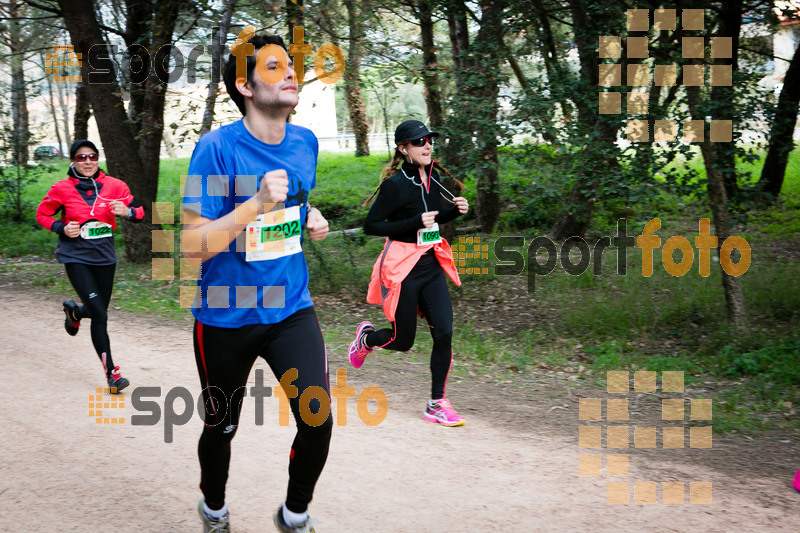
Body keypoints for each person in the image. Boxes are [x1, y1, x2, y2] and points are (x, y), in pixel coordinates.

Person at [182, 34, 331, 533]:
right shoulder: (216, 148)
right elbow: (191, 245)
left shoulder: (305, 141)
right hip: (226, 314)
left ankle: (294, 515)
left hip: (291, 307)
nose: (290, 73)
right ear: (245, 85)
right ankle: (215, 508)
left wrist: (310, 216)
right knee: (221, 426)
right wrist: (253, 205)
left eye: (291, 65)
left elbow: (292, 205)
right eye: (274, 66)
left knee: (318, 418)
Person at [348, 120, 469, 427]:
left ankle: (436, 403)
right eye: (419, 142)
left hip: (430, 267)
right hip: (402, 270)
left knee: (444, 332)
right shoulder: (395, 186)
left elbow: (433, 219)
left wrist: (455, 211)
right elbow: (372, 226)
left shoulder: (433, 177)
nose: (428, 145)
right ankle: (367, 339)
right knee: (403, 341)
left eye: (429, 140)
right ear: (403, 149)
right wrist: (414, 221)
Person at [36, 140, 144, 392]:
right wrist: (62, 228)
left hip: (105, 258)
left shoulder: (115, 186)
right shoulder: (61, 189)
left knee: (97, 311)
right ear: (72, 160)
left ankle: (74, 313)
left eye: (92, 156)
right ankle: (112, 375)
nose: (87, 162)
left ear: (97, 159)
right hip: (75, 257)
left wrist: (126, 211)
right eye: (81, 157)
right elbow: (42, 214)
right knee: (101, 315)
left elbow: (141, 212)